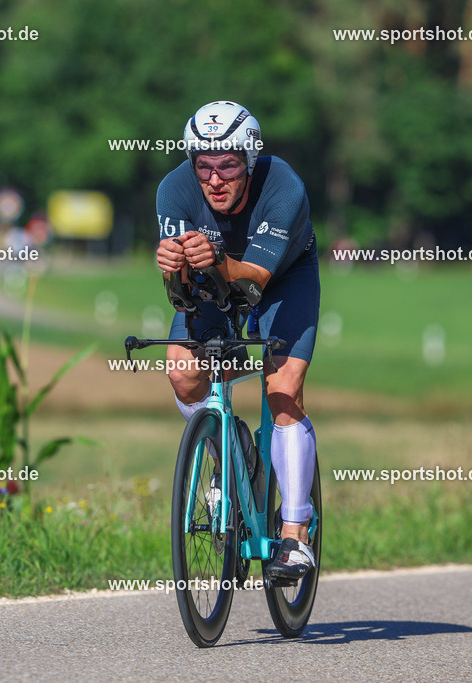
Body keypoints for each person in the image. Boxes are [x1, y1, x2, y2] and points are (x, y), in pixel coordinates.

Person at [155, 101, 320, 582]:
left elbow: (252, 286)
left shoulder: (283, 185)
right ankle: (230, 453)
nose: (214, 180)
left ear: (248, 160)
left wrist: (216, 260)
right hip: (214, 275)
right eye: (203, 165)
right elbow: (181, 299)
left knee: (283, 389)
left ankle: (294, 535)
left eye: (227, 164)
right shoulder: (173, 190)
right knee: (184, 373)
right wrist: (175, 272)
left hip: (283, 278)